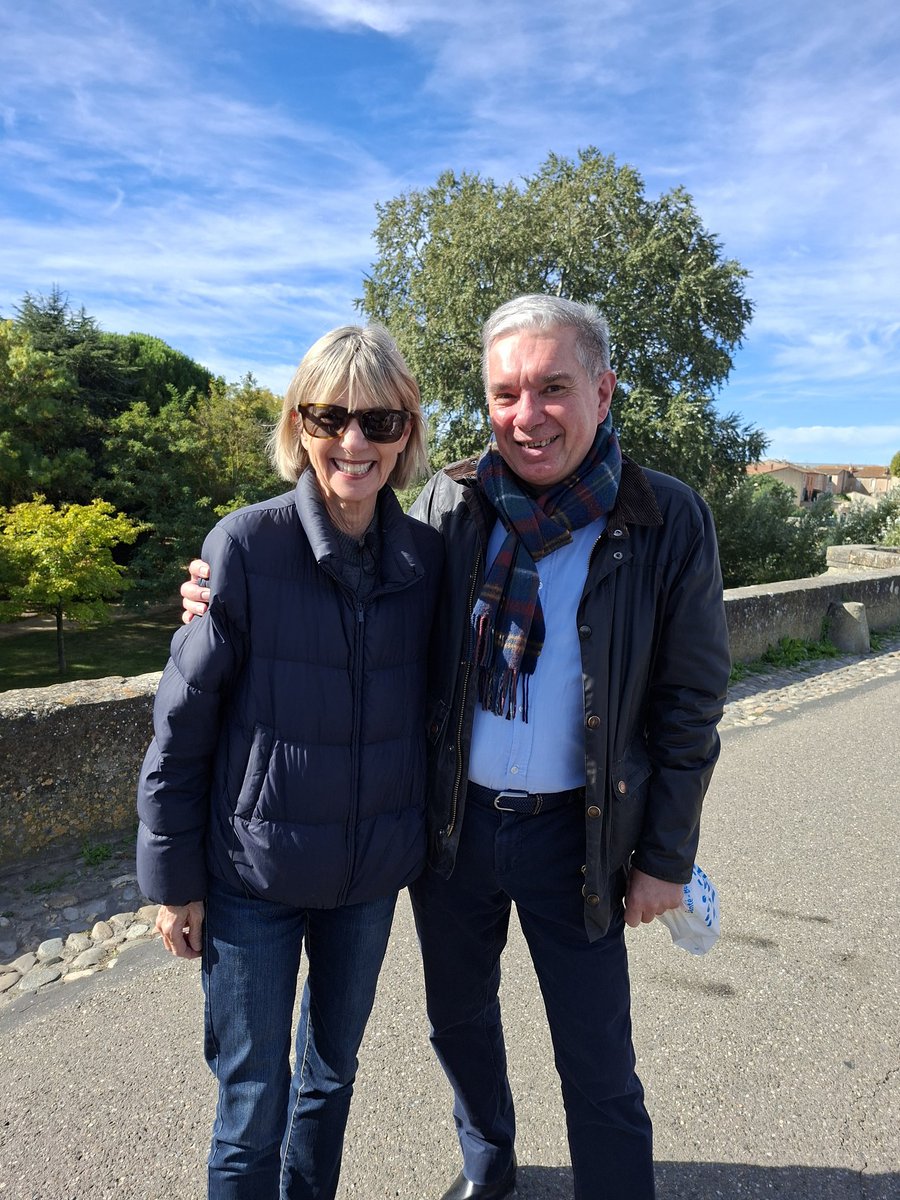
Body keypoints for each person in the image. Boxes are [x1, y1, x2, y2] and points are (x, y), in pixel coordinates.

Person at [183, 295, 731, 1200]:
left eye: (553, 388)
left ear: (604, 388)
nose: (528, 416)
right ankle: (490, 1165)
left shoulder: (667, 519)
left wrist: (665, 856)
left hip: (580, 836)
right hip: (453, 830)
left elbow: (689, 705)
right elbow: (359, 585)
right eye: (506, 392)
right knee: (460, 1022)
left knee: (597, 1054)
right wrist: (218, 595)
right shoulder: (453, 503)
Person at [138, 324, 442, 1200]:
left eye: (381, 422)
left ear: (407, 433)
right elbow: (181, 723)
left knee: (332, 1078)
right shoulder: (245, 545)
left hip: (367, 878)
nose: (355, 443)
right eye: (330, 416)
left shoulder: (427, 560)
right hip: (251, 879)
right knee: (252, 1103)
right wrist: (172, 879)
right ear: (298, 425)